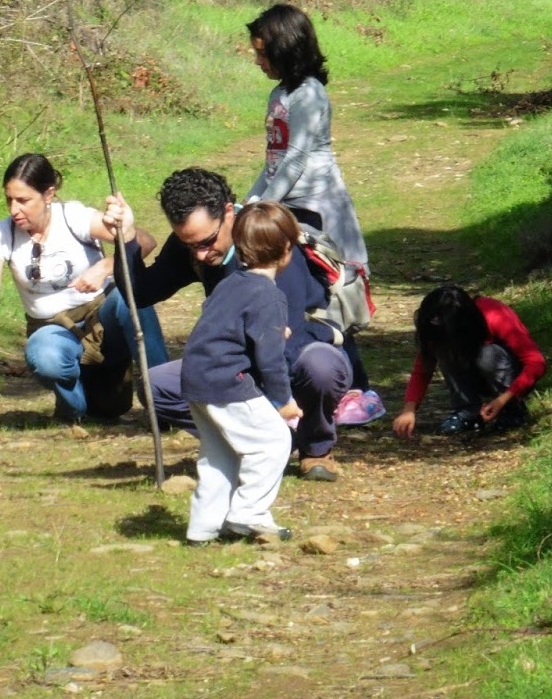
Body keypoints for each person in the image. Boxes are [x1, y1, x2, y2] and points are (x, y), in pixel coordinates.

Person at [104, 167, 370, 482]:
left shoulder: (270, 240)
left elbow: (284, 342)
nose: (200, 255)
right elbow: (141, 294)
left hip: (294, 350)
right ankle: (262, 441)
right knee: (156, 387)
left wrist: (266, 396)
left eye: (206, 242)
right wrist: (127, 238)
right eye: (190, 245)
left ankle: (315, 447)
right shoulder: (195, 244)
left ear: (229, 212)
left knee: (321, 367)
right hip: (240, 359)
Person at [0, 153, 167, 425]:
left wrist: (106, 267)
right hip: (53, 329)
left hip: (103, 322)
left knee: (130, 297)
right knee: (44, 357)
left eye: (23, 200)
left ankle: (164, 399)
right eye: (9, 200)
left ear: (48, 194)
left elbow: (144, 241)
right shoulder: (0, 236)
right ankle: (72, 408)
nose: (14, 210)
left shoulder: (74, 218)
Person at [183, 203, 302, 545]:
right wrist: (284, 401)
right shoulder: (269, 296)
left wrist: (268, 334)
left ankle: (203, 528)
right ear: (286, 248)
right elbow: (271, 361)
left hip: (197, 377)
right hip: (227, 381)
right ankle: (249, 512)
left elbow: (223, 324)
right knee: (273, 441)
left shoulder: (230, 283)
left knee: (218, 455)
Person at [244, 3, 368, 271]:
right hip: (286, 205)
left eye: (263, 54)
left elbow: (296, 159)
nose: (257, 61)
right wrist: (251, 200)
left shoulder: (309, 94)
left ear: (285, 50)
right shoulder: (279, 94)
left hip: (317, 208)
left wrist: (263, 207)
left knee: (334, 277)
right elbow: (274, 160)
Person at [392, 284, 546, 438]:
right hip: (472, 375)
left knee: (487, 355)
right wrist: (409, 410)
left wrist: (504, 399)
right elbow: (422, 370)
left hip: (509, 378)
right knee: (443, 348)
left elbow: (536, 363)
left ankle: (512, 409)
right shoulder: (438, 331)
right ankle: (468, 412)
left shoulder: (494, 314)